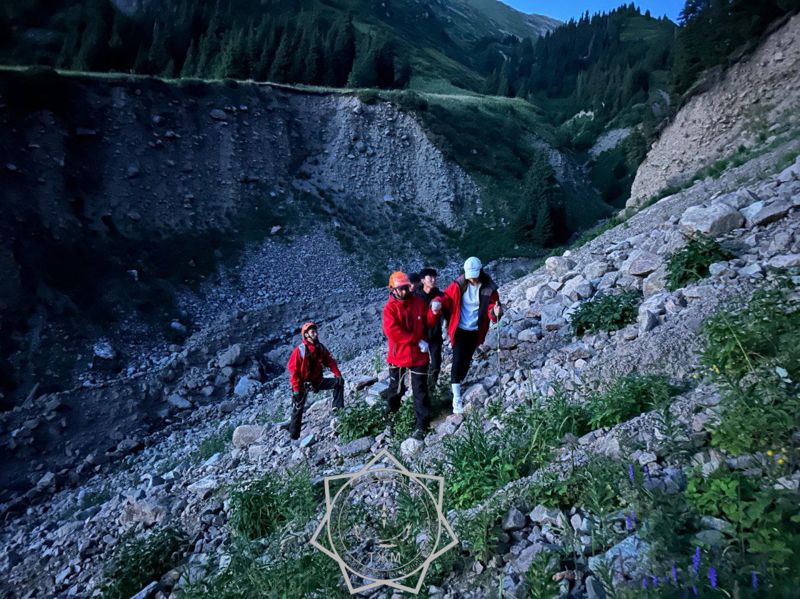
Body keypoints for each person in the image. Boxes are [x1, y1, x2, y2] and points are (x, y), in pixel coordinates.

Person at [436, 257, 502, 414]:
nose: (472, 278)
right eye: (469, 274)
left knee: (466, 361)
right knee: (457, 360)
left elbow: (493, 307)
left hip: (475, 329)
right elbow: (446, 298)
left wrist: (495, 312)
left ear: (481, 271)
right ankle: (456, 399)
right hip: (459, 329)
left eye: (474, 274)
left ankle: (458, 383)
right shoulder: (458, 285)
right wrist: (437, 302)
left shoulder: (489, 288)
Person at [383, 271, 439, 440]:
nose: (404, 291)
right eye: (400, 289)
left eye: (406, 287)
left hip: (418, 355)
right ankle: (389, 419)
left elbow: (427, 322)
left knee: (420, 390)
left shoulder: (418, 302)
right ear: (392, 289)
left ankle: (422, 425)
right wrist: (417, 340)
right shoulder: (390, 308)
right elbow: (393, 332)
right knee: (396, 390)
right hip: (399, 355)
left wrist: (433, 312)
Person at [286, 322, 344, 440]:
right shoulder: (300, 351)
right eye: (313, 332)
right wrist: (296, 389)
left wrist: (338, 375)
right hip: (302, 384)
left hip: (317, 381)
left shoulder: (320, 348)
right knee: (298, 408)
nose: (316, 334)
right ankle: (294, 435)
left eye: (315, 331)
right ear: (306, 335)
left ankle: (338, 410)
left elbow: (330, 361)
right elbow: (294, 372)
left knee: (339, 383)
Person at [415, 267, 445, 386]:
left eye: (434, 277)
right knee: (421, 364)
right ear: (423, 280)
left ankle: (432, 386)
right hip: (420, 336)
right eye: (430, 277)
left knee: (436, 362)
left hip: (435, 333)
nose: (433, 280)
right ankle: (422, 387)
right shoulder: (416, 296)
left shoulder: (439, 294)